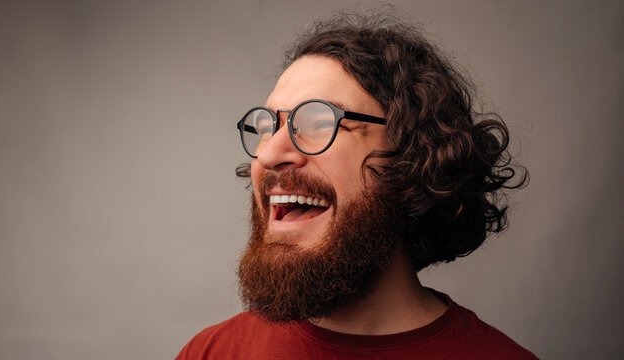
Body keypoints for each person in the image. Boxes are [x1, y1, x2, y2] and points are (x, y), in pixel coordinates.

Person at [177, 12, 536, 360]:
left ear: (413, 157)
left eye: (318, 121)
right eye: (269, 126)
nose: (269, 154)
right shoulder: (211, 353)